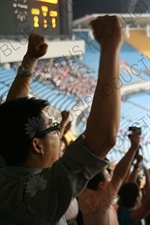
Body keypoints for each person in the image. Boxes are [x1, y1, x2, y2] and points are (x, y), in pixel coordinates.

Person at [0, 15, 122, 224]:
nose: (60, 132)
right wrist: (111, 48)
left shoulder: (8, 169)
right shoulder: (30, 198)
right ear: (37, 145)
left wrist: (29, 60)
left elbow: (11, 116)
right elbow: (101, 141)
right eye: (54, 128)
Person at [78, 130, 144, 225]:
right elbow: (118, 175)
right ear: (101, 185)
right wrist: (133, 148)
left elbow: (121, 179)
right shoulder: (100, 203)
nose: (111, 178)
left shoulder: (83, 193)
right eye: (108, 176)